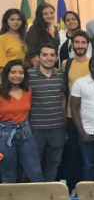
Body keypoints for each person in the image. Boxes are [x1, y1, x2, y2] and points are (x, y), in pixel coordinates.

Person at [0, 59, 44, 183]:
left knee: (36, 173)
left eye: (20, 73)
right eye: (13, 72)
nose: (17, 76)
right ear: (7, 74)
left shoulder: (28, 91)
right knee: (8, 175)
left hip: (25, 133)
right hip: (4, 136)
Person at [28, 44, 66, 182]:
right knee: (33, 163)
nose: (48, 58)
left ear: (56, 58)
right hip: (36, 128)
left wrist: (64, 122)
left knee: (54, 163)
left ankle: (49, 192)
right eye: (45, 55)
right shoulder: (28, 75)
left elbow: (62, 97)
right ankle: (35, 194)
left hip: (57, 128)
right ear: (38, 57)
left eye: (52, 55)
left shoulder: (61, 75)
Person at [62, 30, 91, 193]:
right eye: (77, 43)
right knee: (73, 153)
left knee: (90, 155)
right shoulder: (67, 64)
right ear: (72, 45)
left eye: (83, 43)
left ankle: (89, 187)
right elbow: (64, 90)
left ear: (88, 45)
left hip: (91, 115)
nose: (80, 46)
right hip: (71, 115)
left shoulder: (93, 62)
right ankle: (74, 186)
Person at [26, 3, 60, 67]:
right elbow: (32, 53)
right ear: (40, 16)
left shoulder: (56, 29)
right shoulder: (34, 29)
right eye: (45, 14)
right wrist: (39, 71)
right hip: (40, 68)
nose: (49, 16)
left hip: (54, 66)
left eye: (51, 13)